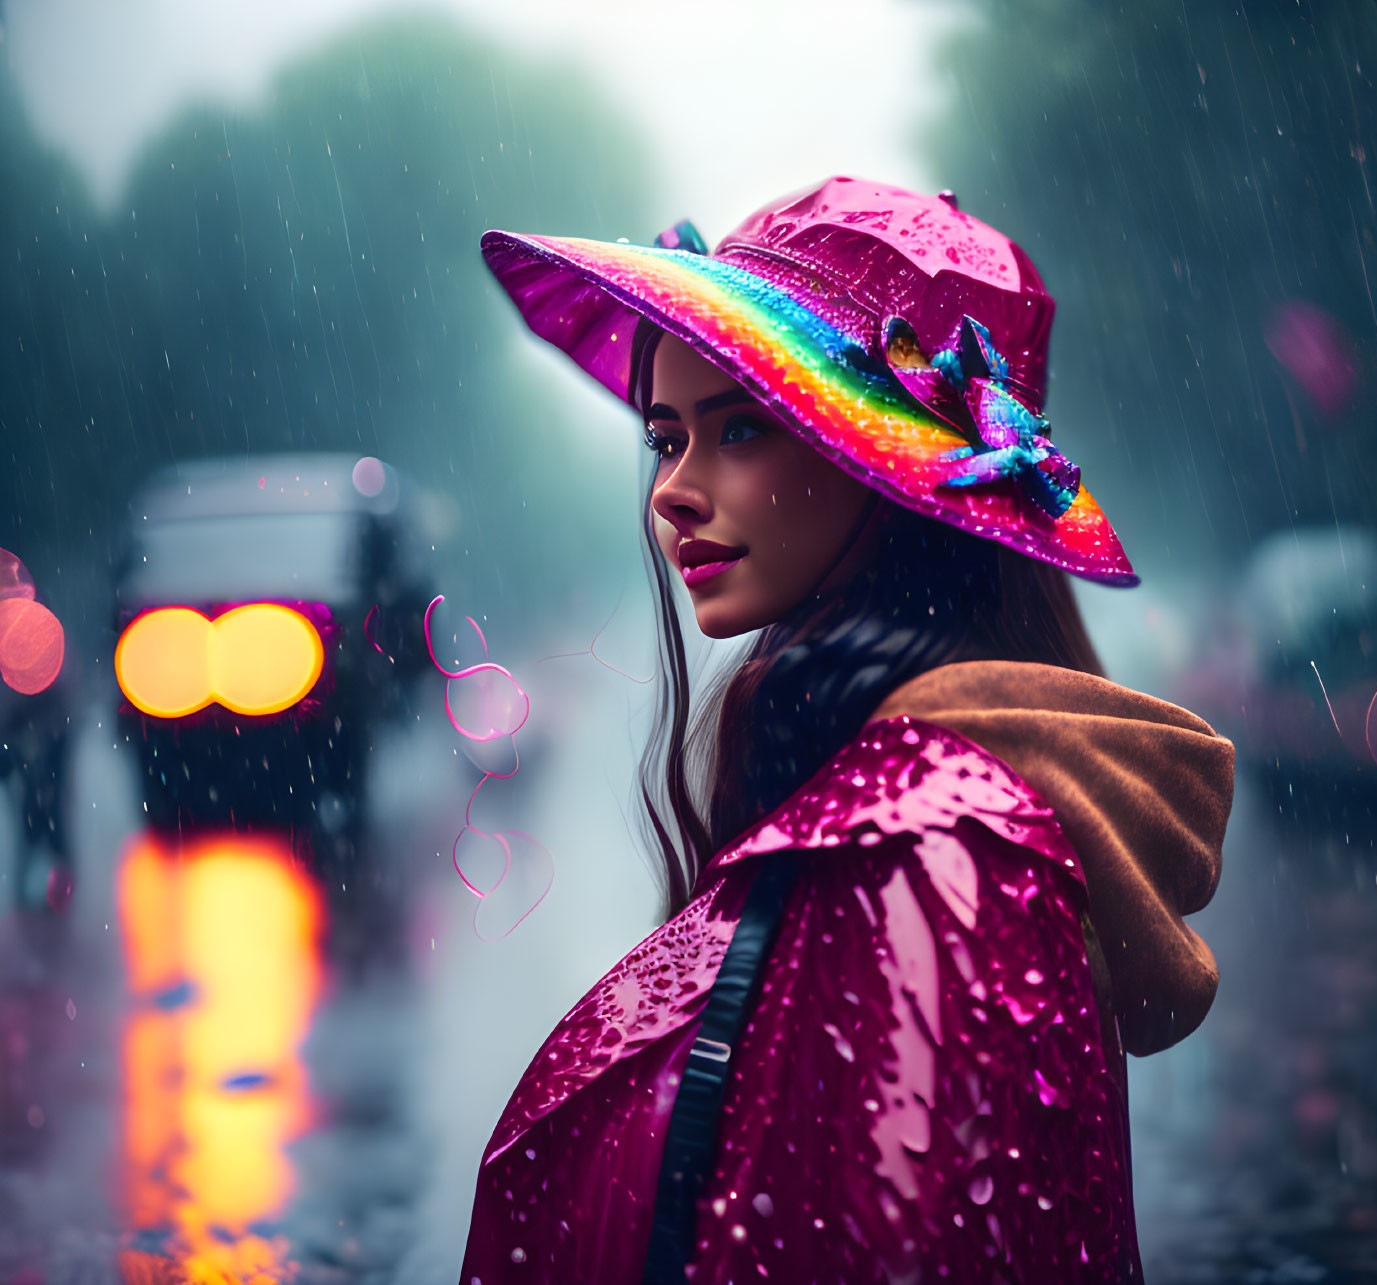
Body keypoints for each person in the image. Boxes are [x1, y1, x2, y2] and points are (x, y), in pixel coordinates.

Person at [460, 177, 1235, 1283]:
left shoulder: (927, 849)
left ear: (890, 464)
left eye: (741, 428)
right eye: (666, 438)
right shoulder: (869, 795)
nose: (673, 491)